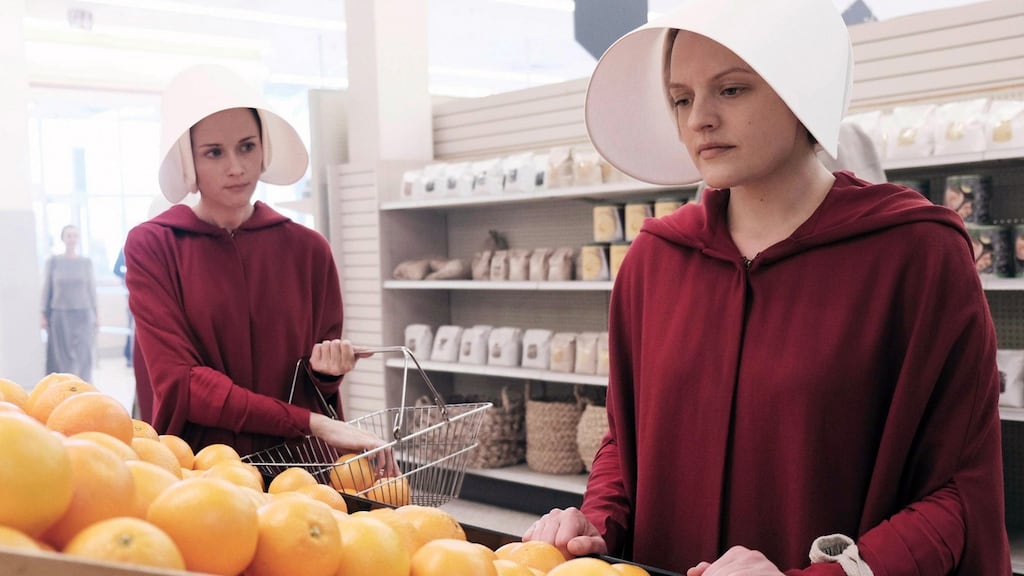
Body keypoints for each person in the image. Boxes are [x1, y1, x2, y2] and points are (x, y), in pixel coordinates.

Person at [522, 0, 1011, 574]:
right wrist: (597, 523)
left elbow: (958, 492)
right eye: (682, 98)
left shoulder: (916, 257)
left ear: (802, 90)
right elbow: (628, 443)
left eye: (731, 90)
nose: (698, 119)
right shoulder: (653, 262)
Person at [124, 64, 391, 466]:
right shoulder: (155, 246)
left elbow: (314, 384)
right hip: (204, 472)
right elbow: (181, 383)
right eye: (214, 152)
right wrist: (313, 422)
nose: (236, 167)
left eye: (247, 146)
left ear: (264, 148)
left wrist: (326, 373)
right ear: (187, 160)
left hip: (299, 471)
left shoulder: (310, 250)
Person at [41, 224, 98, 382]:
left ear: (78, 239)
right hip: (60, 312)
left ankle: (83, 386)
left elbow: (91, 289)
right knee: (62, 356)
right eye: (69, 236)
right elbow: (47, 288)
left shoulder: (86, 262)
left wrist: (97, 314)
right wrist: (42, 313)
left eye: (74, 235)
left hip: (84, 312)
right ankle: (66, 386)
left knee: (83, 353)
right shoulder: (54, 261)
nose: (72, 239)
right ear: (63, 239)